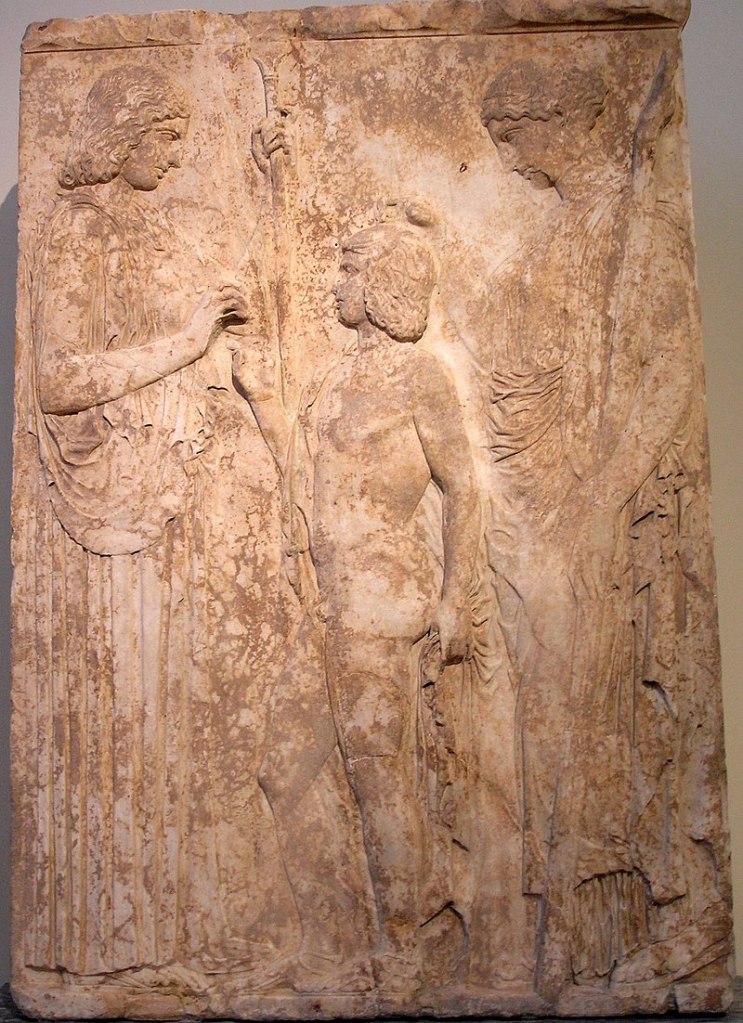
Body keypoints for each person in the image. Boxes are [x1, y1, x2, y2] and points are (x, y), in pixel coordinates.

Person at [479, 57, 731, 1001]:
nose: (508, 158)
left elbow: (666, 378)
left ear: (558, 120)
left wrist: (598, 500)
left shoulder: (634, 224)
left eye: (514, 136)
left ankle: (641, 930)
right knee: (554, 724)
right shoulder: (557, 231)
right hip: (543, 513)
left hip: (616, 526)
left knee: (613, 723)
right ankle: (571, 942)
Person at [25, 64, 248, 978]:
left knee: (184, 718)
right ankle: (111, 950)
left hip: (172, 495)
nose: (176, 155)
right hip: (114, 515)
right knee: (127, 721)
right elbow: (58, 380)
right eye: (164, 136)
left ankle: (179, 935)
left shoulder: (149, 230)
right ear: (122, 135)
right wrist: (186, 343)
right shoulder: (76, 233)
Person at [231, 208, 481, 997]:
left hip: (379, 593)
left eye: (347, 271)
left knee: (376, 774)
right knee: (281, 772)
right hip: (330, 600)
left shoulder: (420, 375)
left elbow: (462, 484)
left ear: (380, 285)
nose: (335, 284)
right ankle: (332, 938)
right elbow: (306, 476)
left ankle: (401, 950)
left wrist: (457, 594)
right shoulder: (336, 376)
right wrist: (263, 399)